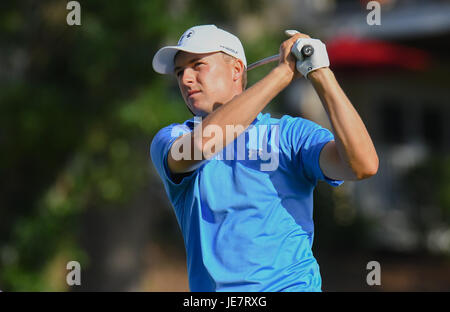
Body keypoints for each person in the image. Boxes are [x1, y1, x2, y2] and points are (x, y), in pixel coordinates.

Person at [150, 24, 378, 291]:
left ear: (236, 70)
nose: (185, 79)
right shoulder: (172, 138)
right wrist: (283, 74)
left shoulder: (290, 135)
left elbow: (363, 165)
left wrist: (320, 72)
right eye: (179, 72)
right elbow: (204, 143)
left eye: (197, 65)